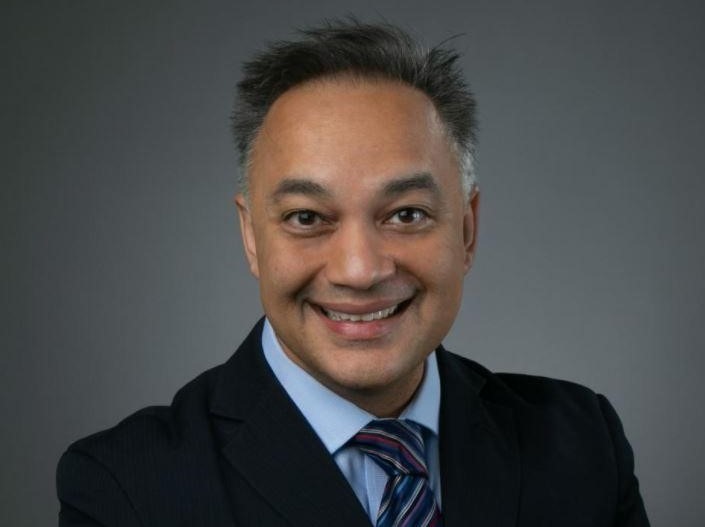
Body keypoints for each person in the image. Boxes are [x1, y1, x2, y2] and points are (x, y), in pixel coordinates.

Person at [56, 20, 649, 526]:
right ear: (251, 237)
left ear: (466, 229)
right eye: (307, 217)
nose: (361, 270)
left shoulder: (582, 446)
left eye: (407, 214)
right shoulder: (126, 490)